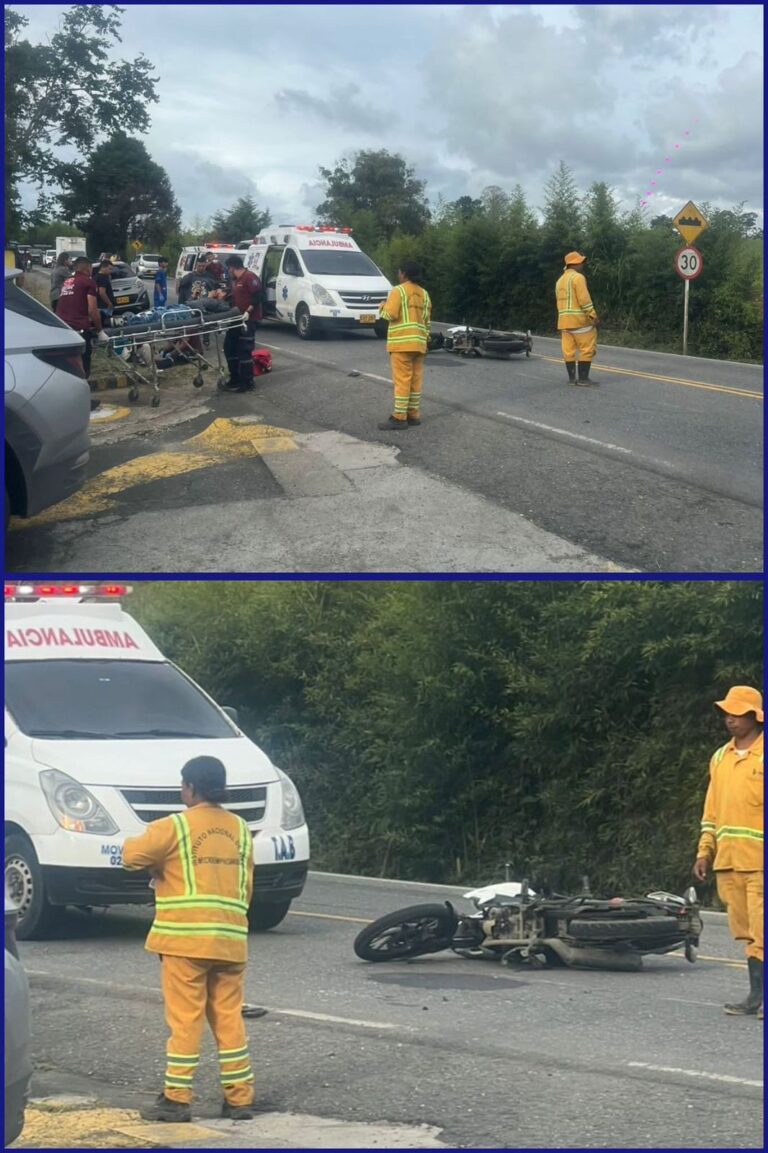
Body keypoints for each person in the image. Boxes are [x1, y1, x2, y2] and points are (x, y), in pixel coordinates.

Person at [122, 756, 256, 1123]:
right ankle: (240, 1099)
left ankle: (177, 1099)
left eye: (183, 785)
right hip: (231, 940)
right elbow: (245, 885)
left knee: (186, 1020)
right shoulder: (241, 829)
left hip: (185, 943)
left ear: (191, 787)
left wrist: (157, 864)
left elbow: (131, 854)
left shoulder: (175, 826)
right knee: (228, 1018)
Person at [693, 685, 763, 1019]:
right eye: (727, 713)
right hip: (730, 862)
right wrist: (704, 851)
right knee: (749, 932)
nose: (730, 720)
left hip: (761, 863)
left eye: (737, 713)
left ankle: (758, 998)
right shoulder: (720, 758)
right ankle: (756, 997)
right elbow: (712, 811)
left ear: (755, 716)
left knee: (764, 931)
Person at [377, 259, 432, 430]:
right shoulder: (424, 294)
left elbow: (390, 314)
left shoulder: (398, 291)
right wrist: (426, 341)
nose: (398, 274)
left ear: (405, 274)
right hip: (419, 344)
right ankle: (413, 415)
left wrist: (381, 307)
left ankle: (399, 417)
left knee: (402, 380)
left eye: (400, 272)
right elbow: (427, 321)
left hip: (402, 344)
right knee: (415, 381)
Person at [55, 256, 106, 409]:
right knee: (83, 366)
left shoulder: (67, 281)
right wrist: (100, 330)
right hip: (79, 329)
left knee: (68, 366)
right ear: (87, 269)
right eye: (91, 269)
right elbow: (92, 310)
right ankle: (82, 402)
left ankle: (66, 400)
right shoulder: (88, 282)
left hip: (62, 327)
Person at [555, 252, 599, 385]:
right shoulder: (578, 277)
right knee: (587, 349)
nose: (582, 264)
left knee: (569, 351)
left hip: (564, 323)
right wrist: (593, 315)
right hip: (580, 322)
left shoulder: (560, 280)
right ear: (573, 264)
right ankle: (584, 379)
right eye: (580, 262)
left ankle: (572, 379)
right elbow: (584, 299)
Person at [222, 254, 263, 392]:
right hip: (236, 319)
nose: (228, 271)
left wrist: (249, 311)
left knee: (244, 350)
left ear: (232, 267)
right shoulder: (236, 280)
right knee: (229, 347)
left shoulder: (250, 277)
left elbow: (259, 296)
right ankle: (235, 378)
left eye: (229, 269)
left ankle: (247, 382)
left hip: (248, 320)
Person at [95, 258, 116, 324]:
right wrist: (109, 303)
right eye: (109, 269)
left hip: (98, 305)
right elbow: (102, 293)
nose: (111, 271)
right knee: (107, 324)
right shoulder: (102, 278)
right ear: (103, 268)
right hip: (104, 307)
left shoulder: (96, 277)